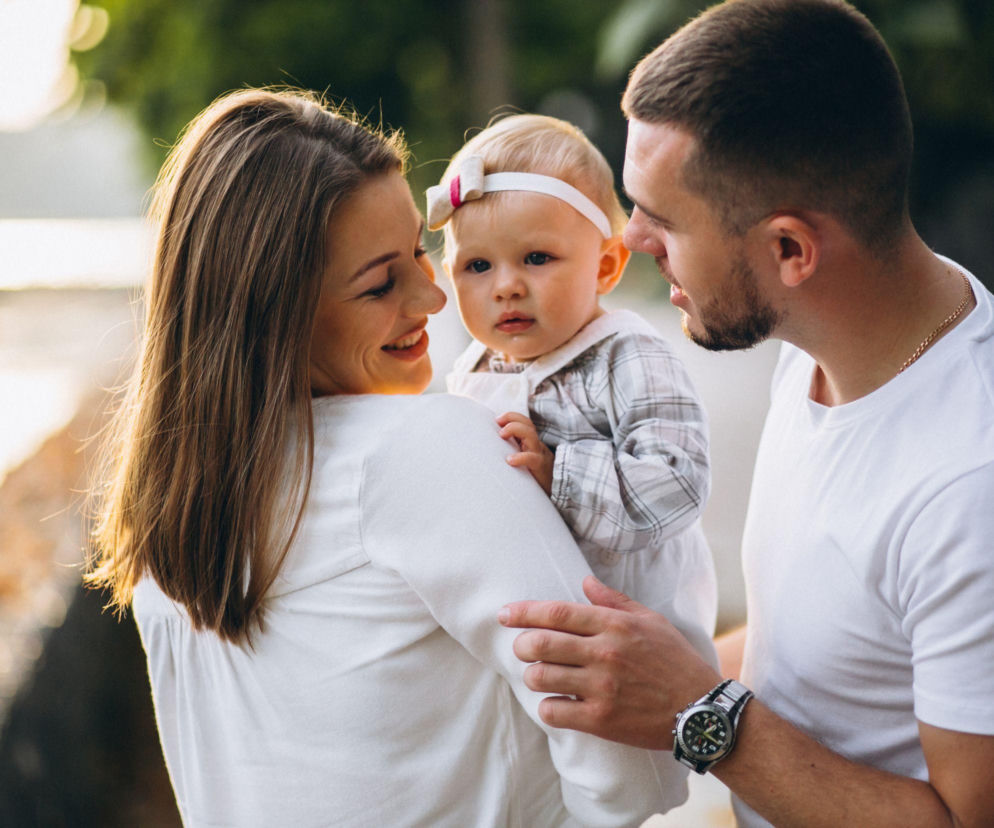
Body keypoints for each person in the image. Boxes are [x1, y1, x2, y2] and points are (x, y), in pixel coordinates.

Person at [85, 88, 691, 826]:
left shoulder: (169, 512)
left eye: (419, 252)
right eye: (380, 284)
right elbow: (629, 763)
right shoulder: (425, 447)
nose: (434, 299)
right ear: (275, 317)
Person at [498, 1, 994, 826]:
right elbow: (815, 660)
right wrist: (624, 673)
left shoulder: (969, 486)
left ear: (790, 250)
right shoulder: (818, 347)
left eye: (662, 219)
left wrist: (700, 712)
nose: (632, 238)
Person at [426, 113, 718, 667]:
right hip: (531, 625)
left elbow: (676, 482)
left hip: (637, 636)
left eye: (537, 258)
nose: (506, 286)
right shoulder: (474, 367)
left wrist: (557, 471)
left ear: (605, 266)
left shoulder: (626, 355)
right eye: (478, 265)